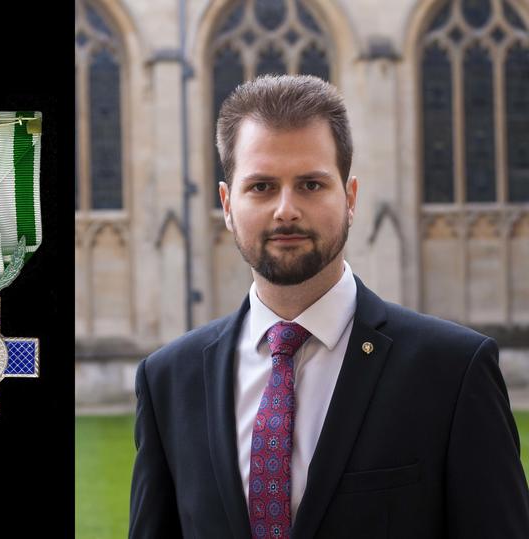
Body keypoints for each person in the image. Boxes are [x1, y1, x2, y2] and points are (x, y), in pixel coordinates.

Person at [128, 74, 529, 538]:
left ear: (350, 198)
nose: (286, 210)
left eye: (311, 185)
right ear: (227, 204)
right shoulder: (167, 382)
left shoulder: (453, 372)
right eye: (260, 186)